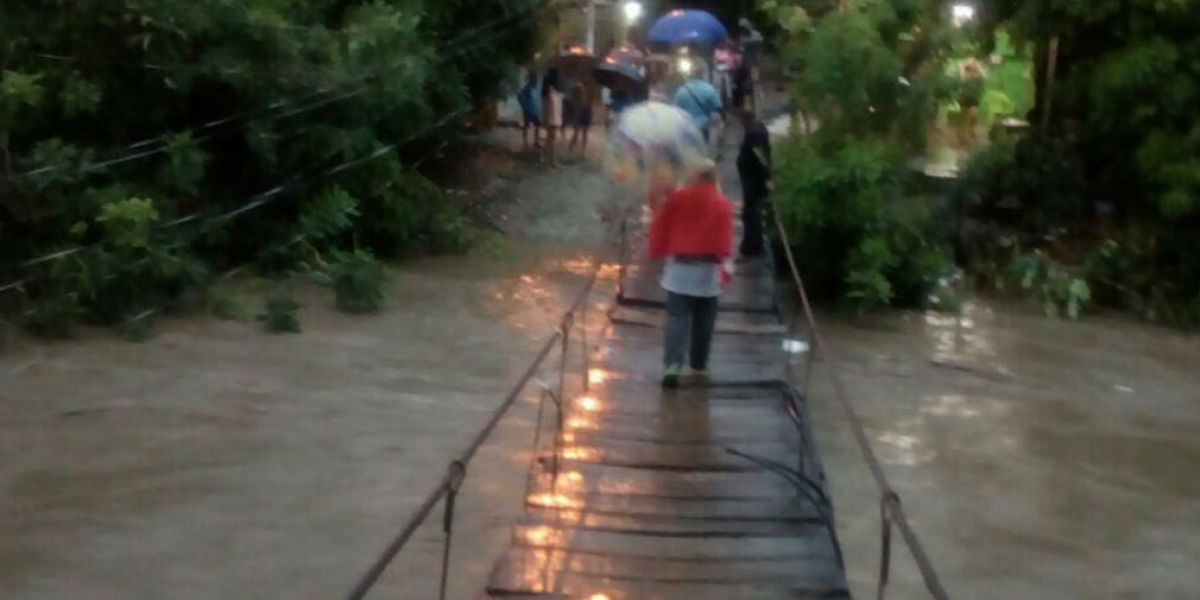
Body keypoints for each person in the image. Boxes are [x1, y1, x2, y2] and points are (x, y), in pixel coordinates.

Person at [648, 159, 735, 388]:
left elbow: (661, 221)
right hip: (708, 271)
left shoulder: (679, 198)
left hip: (680, 269)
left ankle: (672, 366)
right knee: (704, 320)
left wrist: (657, 249)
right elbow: (725, 239)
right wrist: (726, 263)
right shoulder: (723, 203)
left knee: (677, 318)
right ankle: (698, 364)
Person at [736, 109, 772, 258]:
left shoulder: (754, 133)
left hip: (752, 178)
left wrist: (767, 177)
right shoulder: (757, 129)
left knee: (752, 212)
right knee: (752, 211)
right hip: (752, 176)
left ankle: (752, 246)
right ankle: (752, 244)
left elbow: (760, 157)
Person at [673, 74, 722, 143]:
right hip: (704, 126)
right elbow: (717, 106)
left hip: (687, 127)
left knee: (688, 146)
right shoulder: (710, 89)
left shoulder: (681, 91)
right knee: (703, 144)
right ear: (701, 77)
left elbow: (676, 109)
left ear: (689, 77)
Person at [733, 18, 764, 112]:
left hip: (754, 63)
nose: (742, 30)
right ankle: (747, 106)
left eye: (743, 28)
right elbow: (740, 47)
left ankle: (757, 106)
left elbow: (758, 42)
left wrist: (744, 43)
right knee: (744, 84)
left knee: (753, 83)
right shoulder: (742, 37)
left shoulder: (755, 35)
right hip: (745, 63)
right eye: (741, 28)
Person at [541, 69, 564, 167]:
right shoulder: (550, 91)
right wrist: (546, 119)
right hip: (552, 117)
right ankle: (549, 161)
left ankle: (550, 160)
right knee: (550, 140)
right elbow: (547, 107)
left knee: (551, 139)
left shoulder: (552, 91)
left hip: (554, 116)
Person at [517, 69, 542, 152]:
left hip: (535, 110)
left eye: (536, 78)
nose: (535, 79)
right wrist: (524, 106)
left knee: (537, 126)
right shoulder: (527, 87)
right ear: (531, 78)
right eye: (534, 78)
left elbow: (538, 98)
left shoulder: (536, 87)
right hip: (528, 110)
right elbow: (520, 96)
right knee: (526, 126)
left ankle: (536, 141)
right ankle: (525, 141)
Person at [568, 83, 594, 156]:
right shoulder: (579, 88)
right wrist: (576, 108)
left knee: (584, 133)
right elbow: (574, 98)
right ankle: (571, 149)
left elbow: (591, 101)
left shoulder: (590, 88)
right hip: (581, 110)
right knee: (577, 132)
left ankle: (583, 151)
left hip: (587, 110)